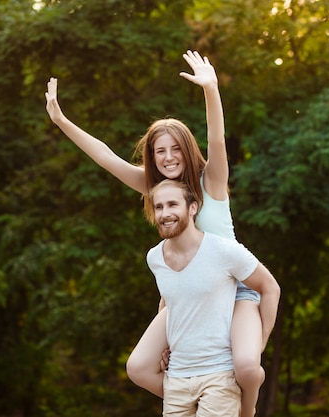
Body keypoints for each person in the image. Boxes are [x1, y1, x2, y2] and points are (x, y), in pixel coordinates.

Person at [45, 50, 265, 416]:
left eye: (175, 148)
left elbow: (217, 138)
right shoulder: (156, 190)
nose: (168, 157)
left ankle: (240, 407)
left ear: (187, 150)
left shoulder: (211, 181)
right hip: (185, 289)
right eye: (159, 151)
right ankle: (198, 399)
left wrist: (211, 89)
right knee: (139, 367)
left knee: (246, 367)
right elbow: (105, 156)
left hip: (231, 283)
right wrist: (61, 121)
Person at [144, 179, 280, 416]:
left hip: (219, 377)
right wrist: (165, 344)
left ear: (193, 207)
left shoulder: (223, 250)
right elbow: (170, 301)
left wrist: (260, 344)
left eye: (173, 205)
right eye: (159, 207)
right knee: (136, 367)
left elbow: (270, 287)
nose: (165, 213)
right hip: (176, 380)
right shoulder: (154, 258)